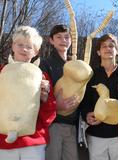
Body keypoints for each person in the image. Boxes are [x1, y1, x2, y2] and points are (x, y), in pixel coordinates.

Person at [0, 26, 56, 160]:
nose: (24, 49)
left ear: (36, 51)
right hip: (3, 141)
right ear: (13, 46)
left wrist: (44, 98)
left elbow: (50, 113)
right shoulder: (1, 72)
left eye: (29, 47)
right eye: (20, 44)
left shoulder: (42, 77)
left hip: (33, 141)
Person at [79, 33, 118, 160]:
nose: (108, 48)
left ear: (116, 51)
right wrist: (87, 114)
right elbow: (84, 101)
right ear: (98, 52)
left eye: (111, 46)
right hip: (95, 135)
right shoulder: (91, 75)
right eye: (104, 46)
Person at [40, 24, 79, 160]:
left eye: (67, 37)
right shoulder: (45, 63)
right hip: (54, 124)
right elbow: (41, 94)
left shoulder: (75, 65)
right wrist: (56, 106)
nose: (63, 40)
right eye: (58, 37)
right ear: (51, 40)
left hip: (73, 124)